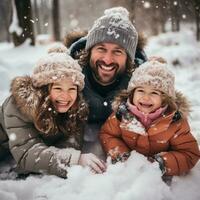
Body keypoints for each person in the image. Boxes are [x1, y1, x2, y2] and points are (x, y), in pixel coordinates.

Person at [0, 44, 106, 178]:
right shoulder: (18, 107)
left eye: (72, 89)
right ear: (44, 89)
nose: (66, 96)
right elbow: (27, 154)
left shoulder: (76, 108)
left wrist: (70, 158)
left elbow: (71, 143)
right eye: (58, 88)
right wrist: (72, 160)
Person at [65, 7, 147, 161]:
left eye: (118, 51)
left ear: (129, 58)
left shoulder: (141, 84)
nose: (107, 60)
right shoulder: (67, 76)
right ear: (88, 51)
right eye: (101, 49)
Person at [99, 57, 200, 181]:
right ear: (132, 93)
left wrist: (162, 163)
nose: (146, 97)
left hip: (156, 180)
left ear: (165, 98)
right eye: (141, 90)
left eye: (154, 93)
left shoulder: (175, 122)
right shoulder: (121, 115)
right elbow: (108, 134)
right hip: (128, 173)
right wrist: (121, 154)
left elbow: (189, 153)